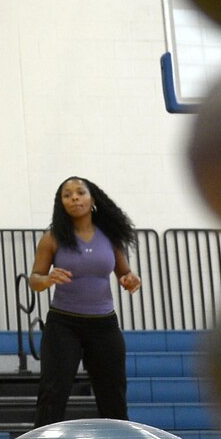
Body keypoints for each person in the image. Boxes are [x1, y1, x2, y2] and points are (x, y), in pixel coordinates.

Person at [28, 176, 142, 426]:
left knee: (113, 395)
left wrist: (130, 279)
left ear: (92, 199)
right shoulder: (52, 238)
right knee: (53, 393)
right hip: (63, 325)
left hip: (104, 325)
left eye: (80, 192)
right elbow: (34, 279)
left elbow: (124, 272)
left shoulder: (110, 236)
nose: (74, 198)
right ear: (61, 203)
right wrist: (46, 279)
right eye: (67, 195)